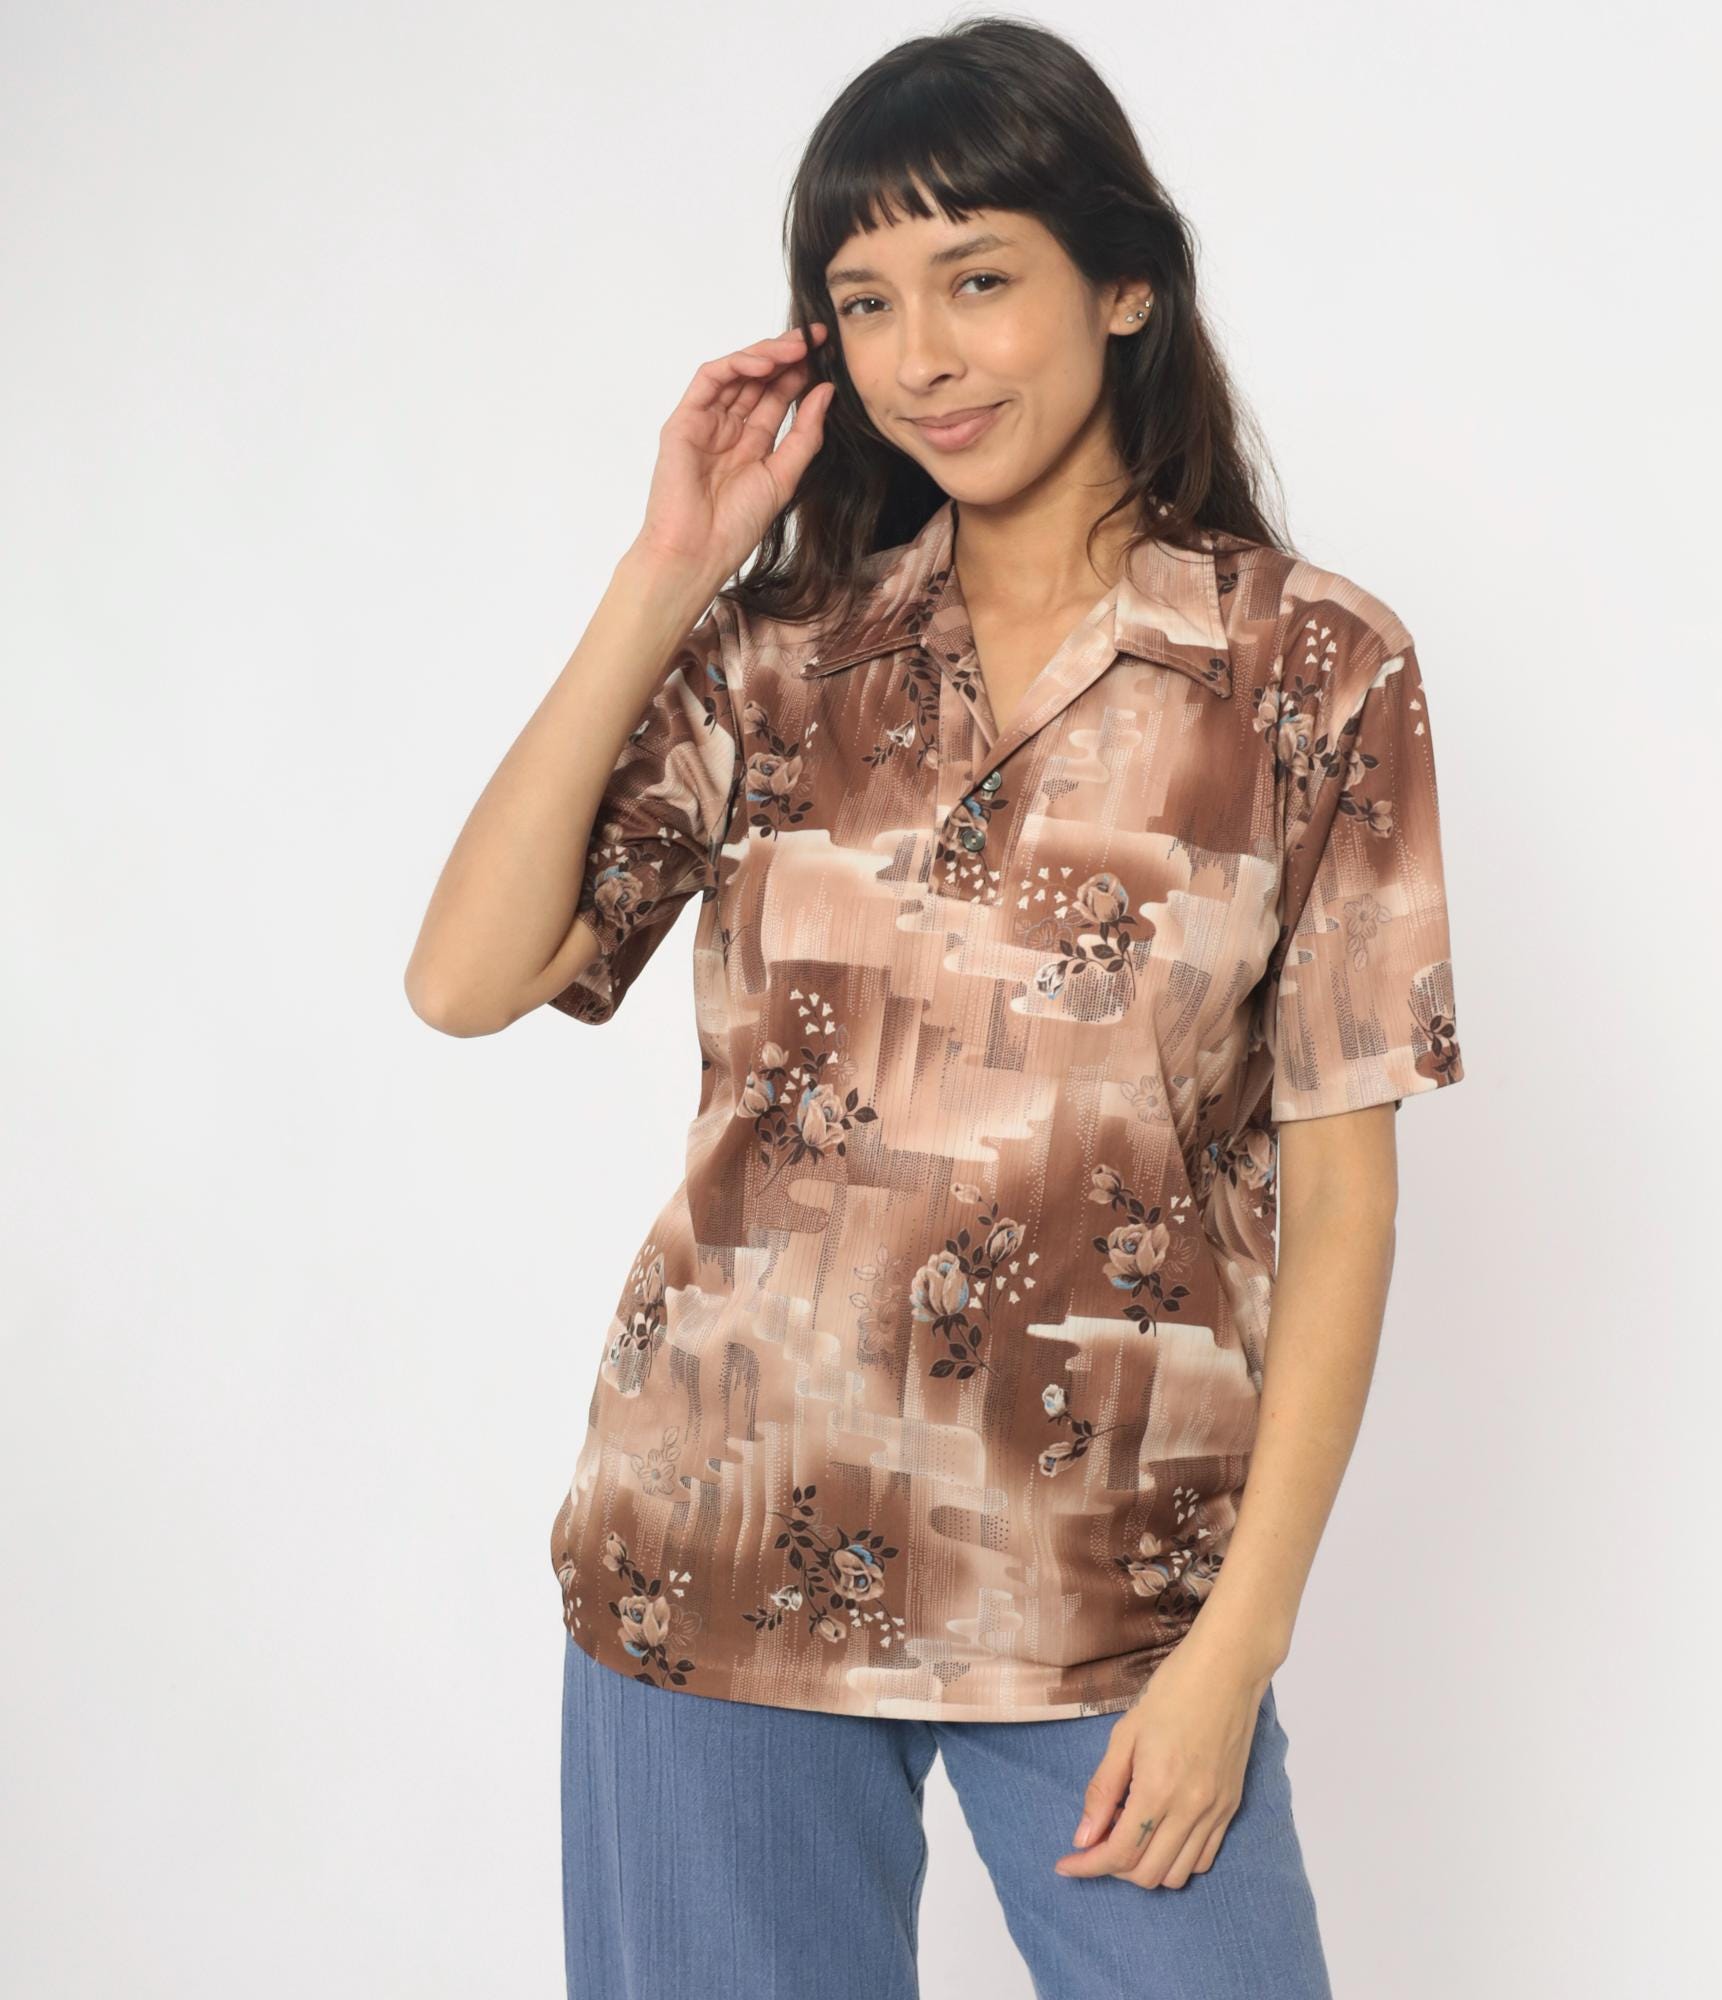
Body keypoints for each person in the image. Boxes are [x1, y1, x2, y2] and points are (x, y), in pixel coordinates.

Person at [406, 18, 1465, 1998]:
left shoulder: (1309, 674)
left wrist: (1236, 1647)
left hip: (1109, 1586)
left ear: (1124, 282)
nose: (923, 357)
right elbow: (463, 979)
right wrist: (667, 572)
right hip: (714, 1550)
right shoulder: (776, 663)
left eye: (977, 279)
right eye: (867, 301)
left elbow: (1343, 1199)